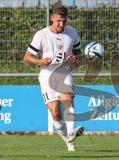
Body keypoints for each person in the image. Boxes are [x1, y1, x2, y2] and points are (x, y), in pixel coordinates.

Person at [23, 5, 84, 152]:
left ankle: (71, 132)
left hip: (64, 73)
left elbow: (78, 58)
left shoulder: (72, 33)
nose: (62, 24)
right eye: (58, 21)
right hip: (46, 76)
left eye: (64, 21)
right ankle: (69, 141)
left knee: (68, 98)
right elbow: (27, 57)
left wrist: (75, 59)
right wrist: (40, 62)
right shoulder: (41, 34)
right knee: (56, 113)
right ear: (52, 18)